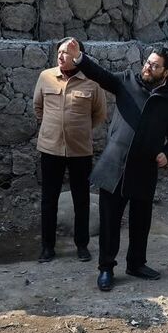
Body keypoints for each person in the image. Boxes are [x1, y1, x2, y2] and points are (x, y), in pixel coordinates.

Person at [61, 38, 168, 292]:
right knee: (109, 222)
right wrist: (79, 58)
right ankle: (106, 268)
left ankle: (136, 264)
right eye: (148, 63)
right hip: (114, 167)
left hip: (145, 170)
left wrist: (167, 153)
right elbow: (100, 74)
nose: (148, 68)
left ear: (167, 72)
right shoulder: (126, 81)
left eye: (155, 66)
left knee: (141, 222)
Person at [32, 38, 107, 263]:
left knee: (81, 199)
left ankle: (82, 245)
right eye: (59, 52)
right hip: (50, 148)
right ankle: (47, 247)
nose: (61, 56)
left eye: (66, 52)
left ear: (78, 55)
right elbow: (38, 107)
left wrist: (77, 129)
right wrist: (54, 128)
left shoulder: (92, 82)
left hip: (80, 150)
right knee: (49, 199)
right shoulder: (46, 77)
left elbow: (99, 114)